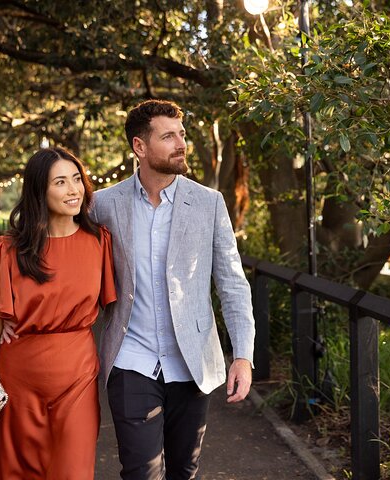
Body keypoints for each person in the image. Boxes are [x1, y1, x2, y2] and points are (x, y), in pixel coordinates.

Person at [92, 99, 256, 479]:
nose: (181, 143)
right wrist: (21, 314)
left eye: (181, 134)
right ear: (139, 147)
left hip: (191, 362)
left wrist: (243, 356)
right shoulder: (103, 205)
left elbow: (232, 283)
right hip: (131, 360)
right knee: (140, 472)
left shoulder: (208, 203)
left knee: (184, 469)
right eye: (168, 136)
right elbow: (62, 252)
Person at [0, 147, 117, 479]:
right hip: (18, 383)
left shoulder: (100, 242)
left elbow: (122, 308)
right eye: (60, 182)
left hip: (78, 380)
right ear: (39, 191)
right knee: (17, 473)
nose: (74, 190)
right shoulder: (8, 250)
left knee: (73, 471)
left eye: (77, 180)